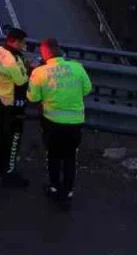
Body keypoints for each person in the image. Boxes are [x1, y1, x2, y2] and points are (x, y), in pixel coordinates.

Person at [27, 37, 92, 208]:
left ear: (45, 53)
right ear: (60, 50)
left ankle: (54, 188)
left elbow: (33, 97)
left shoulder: (40, 72)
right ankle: (68, 192)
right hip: (75, 123)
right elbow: (87, 89)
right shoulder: (77, 67)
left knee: (54, 156)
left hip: (52, 123)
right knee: (70, 157)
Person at [0, 27, 31, 187]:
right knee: (14, 139)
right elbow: (22, 82)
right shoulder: (12, 61)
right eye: (23, 43)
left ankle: (0, 166)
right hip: (15, 103)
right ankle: (10, 174)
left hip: (3, 99)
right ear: (15, 42)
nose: (24, 46)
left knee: (3, 134)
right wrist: (31, 69)